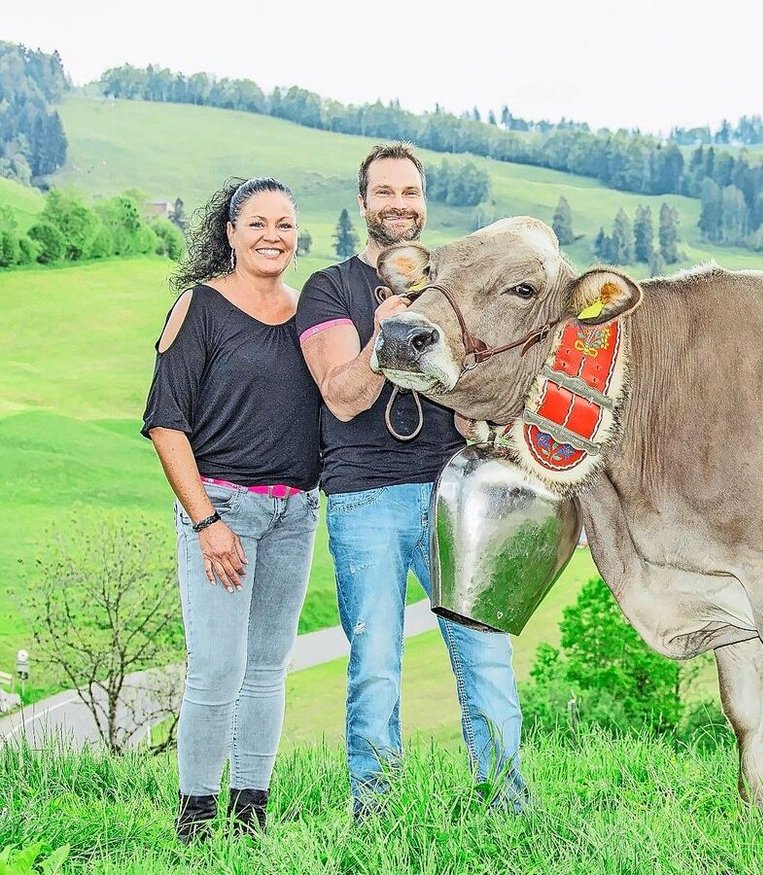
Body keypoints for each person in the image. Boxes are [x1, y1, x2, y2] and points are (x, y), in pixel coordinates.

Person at [296, 142, 528, 817]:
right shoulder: (329, 289)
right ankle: (377, 813)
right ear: (364, 202)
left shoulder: (449, 285)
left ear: (424, 204)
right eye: (385, 192)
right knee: (376, 663)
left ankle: (506, 806)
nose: (400, 204)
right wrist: (383, 337)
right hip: (363, 495)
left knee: (485, 652)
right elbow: (342, 397)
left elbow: (480, 387)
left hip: (452, 493)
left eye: (410, 193)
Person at [142, 177, 321, 842]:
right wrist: (206, 522)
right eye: (258, 224)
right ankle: (195, 820)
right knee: (219, 665)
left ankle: (250, 814)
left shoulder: (308, 314)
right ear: (231, 233)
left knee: (269, 664)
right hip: (222, 510)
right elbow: (166, 424)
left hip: (295, 514)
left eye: (284, 223)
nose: (273, 235)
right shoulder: (201, 308)